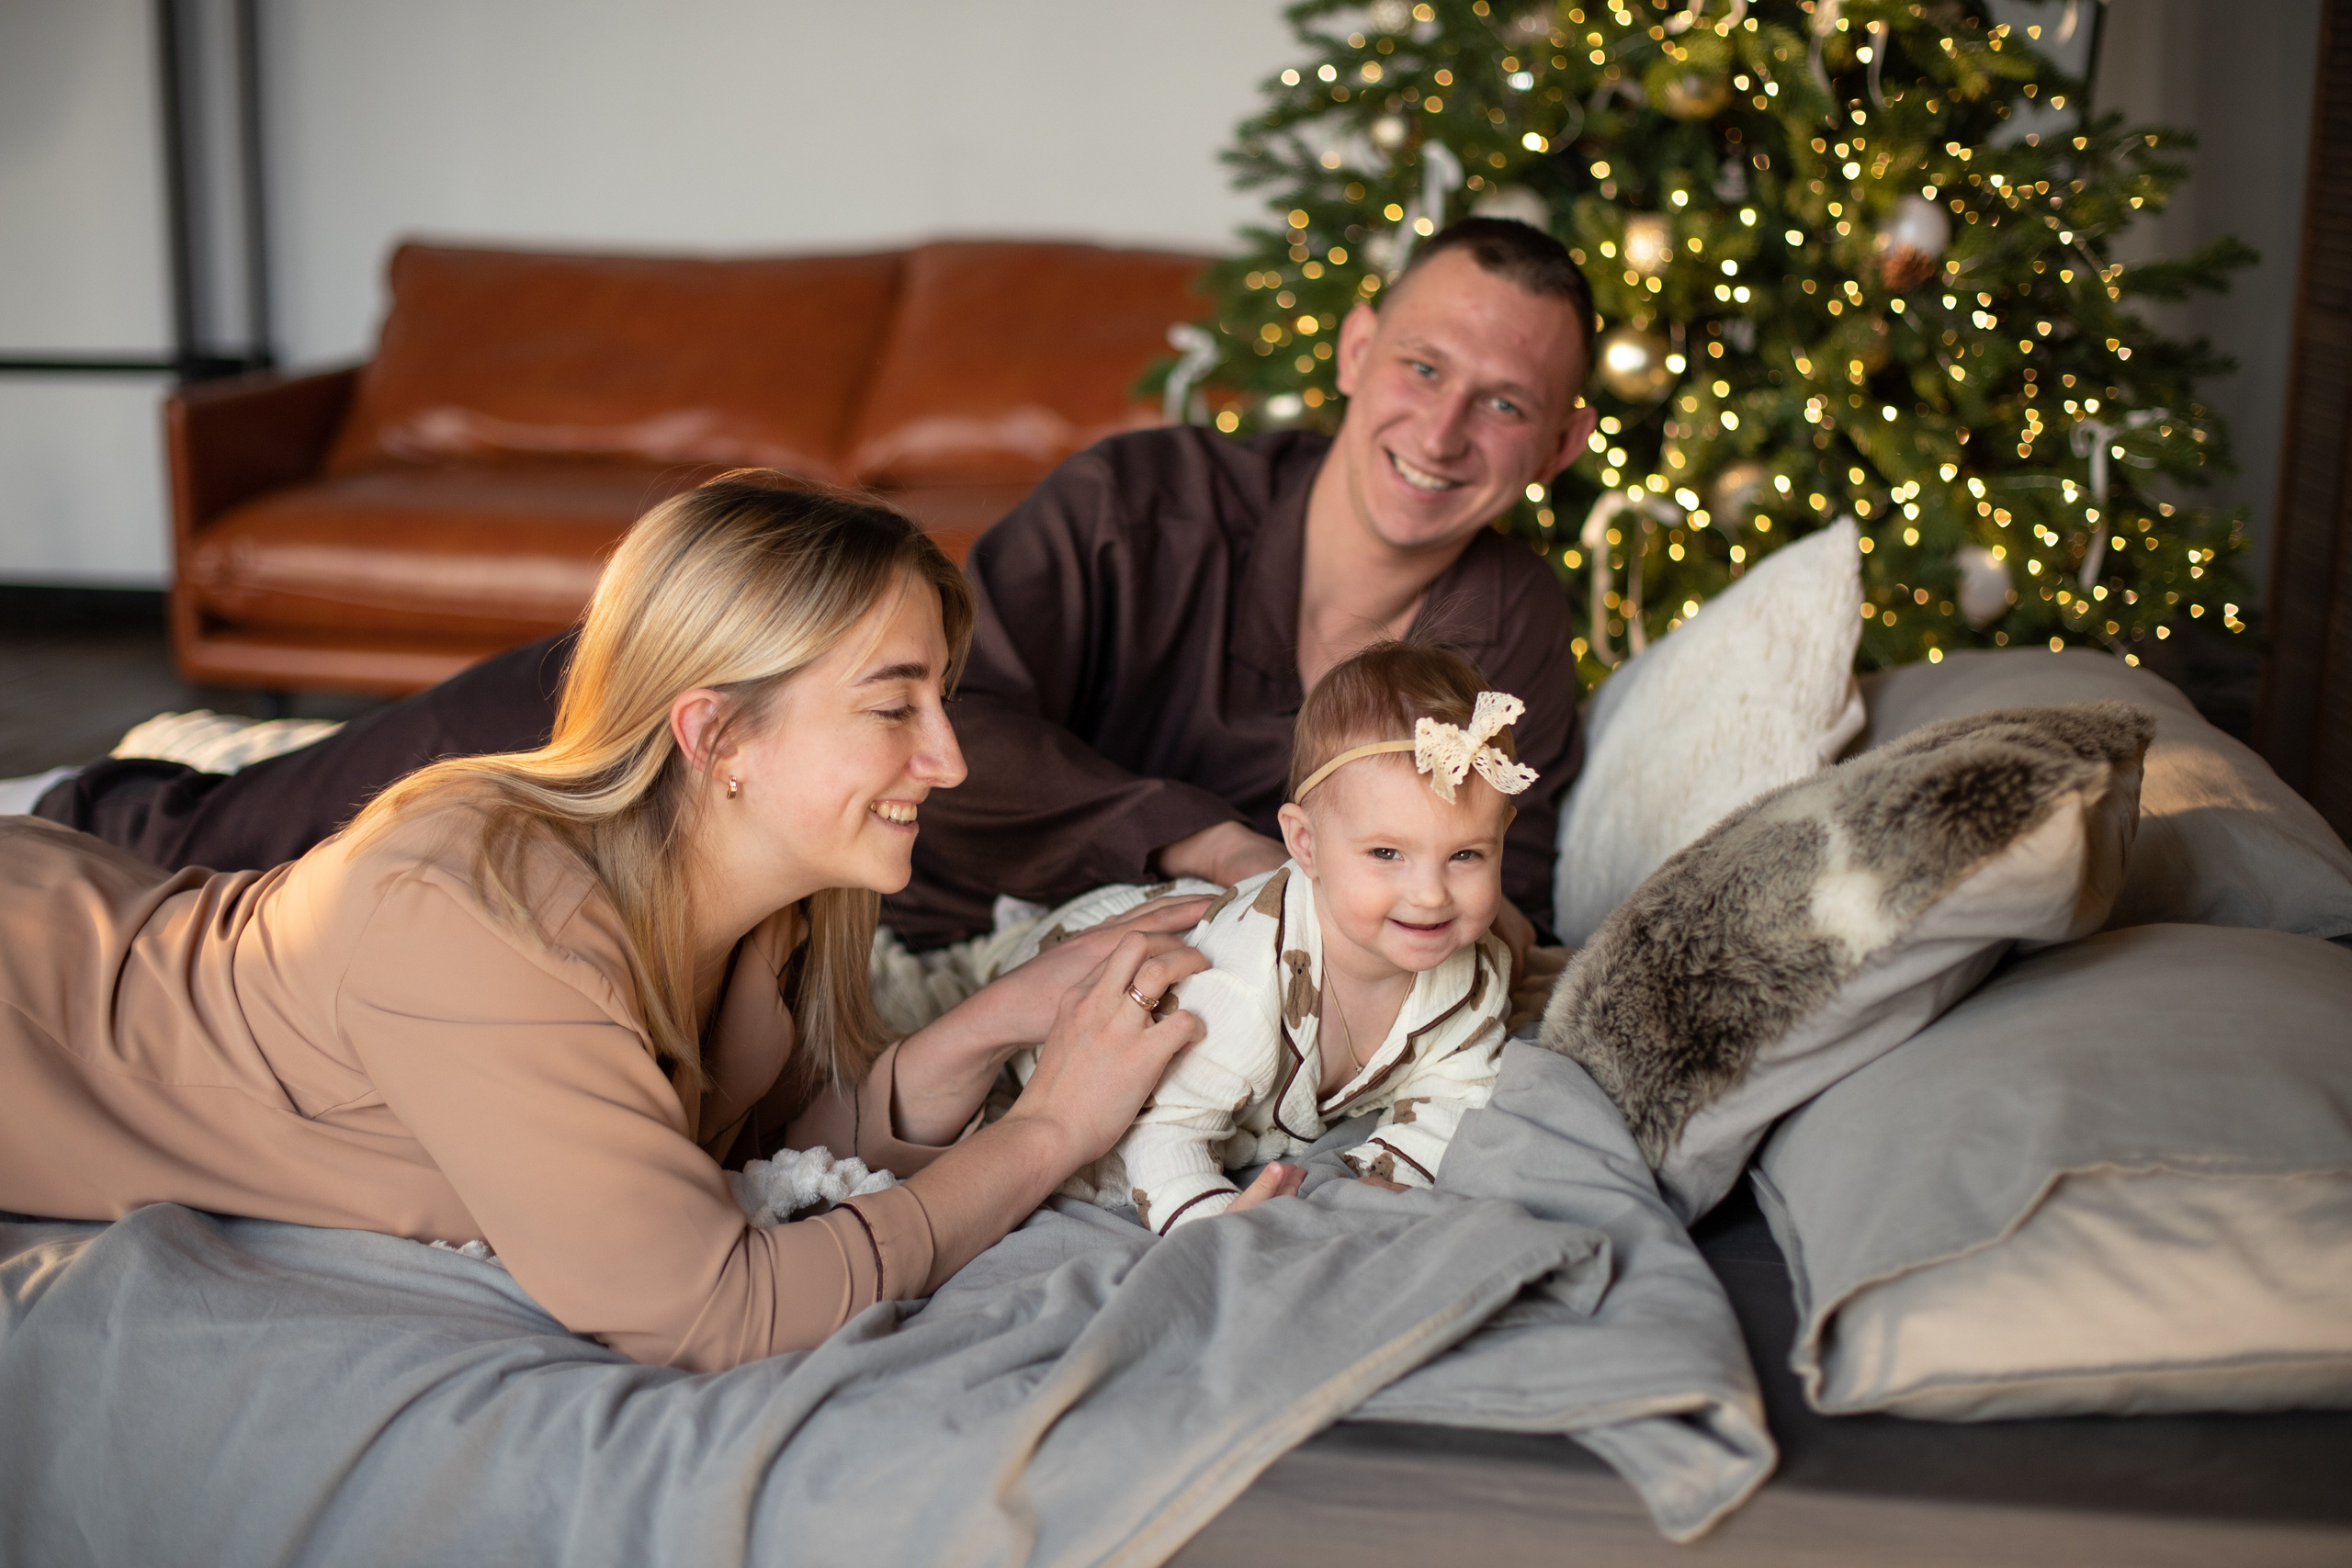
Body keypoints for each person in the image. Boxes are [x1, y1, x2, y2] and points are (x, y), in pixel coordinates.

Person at [0, 476, 1302, 1372]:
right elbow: (716, 1304)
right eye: (895, 705)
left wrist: (993, 1026)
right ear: (717, 733)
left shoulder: (761, 904)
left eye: (941, 700)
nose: (952, 760)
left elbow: (755, 1160)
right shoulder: (480, 918)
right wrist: (1049, 1129)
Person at [33, 217, 1598, 958]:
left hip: (904, 938)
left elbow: (1486, 888)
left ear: (1562, 439)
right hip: (757, 785)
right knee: (442, 759)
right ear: (1352, 356)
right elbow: (937, 713)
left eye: (1506, 404)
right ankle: (95, 820)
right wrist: (1189, 832)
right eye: (1422, 366)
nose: (1443, 430)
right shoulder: (1142, 503)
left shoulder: (1515, 631)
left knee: (384, 921)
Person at [1002, 643, 1528, 1235]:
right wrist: (1217, 1225)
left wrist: (1386, 1176)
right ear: (1305, 844)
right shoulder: (1237, 985)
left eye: (1465, 854)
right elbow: (1164, 1130)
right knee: (1054, 1018)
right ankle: (1016, 930)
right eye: (1387, 853)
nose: (1431, 894)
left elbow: (1457, 1090)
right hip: (1107, 956)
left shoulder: (1473, 976)